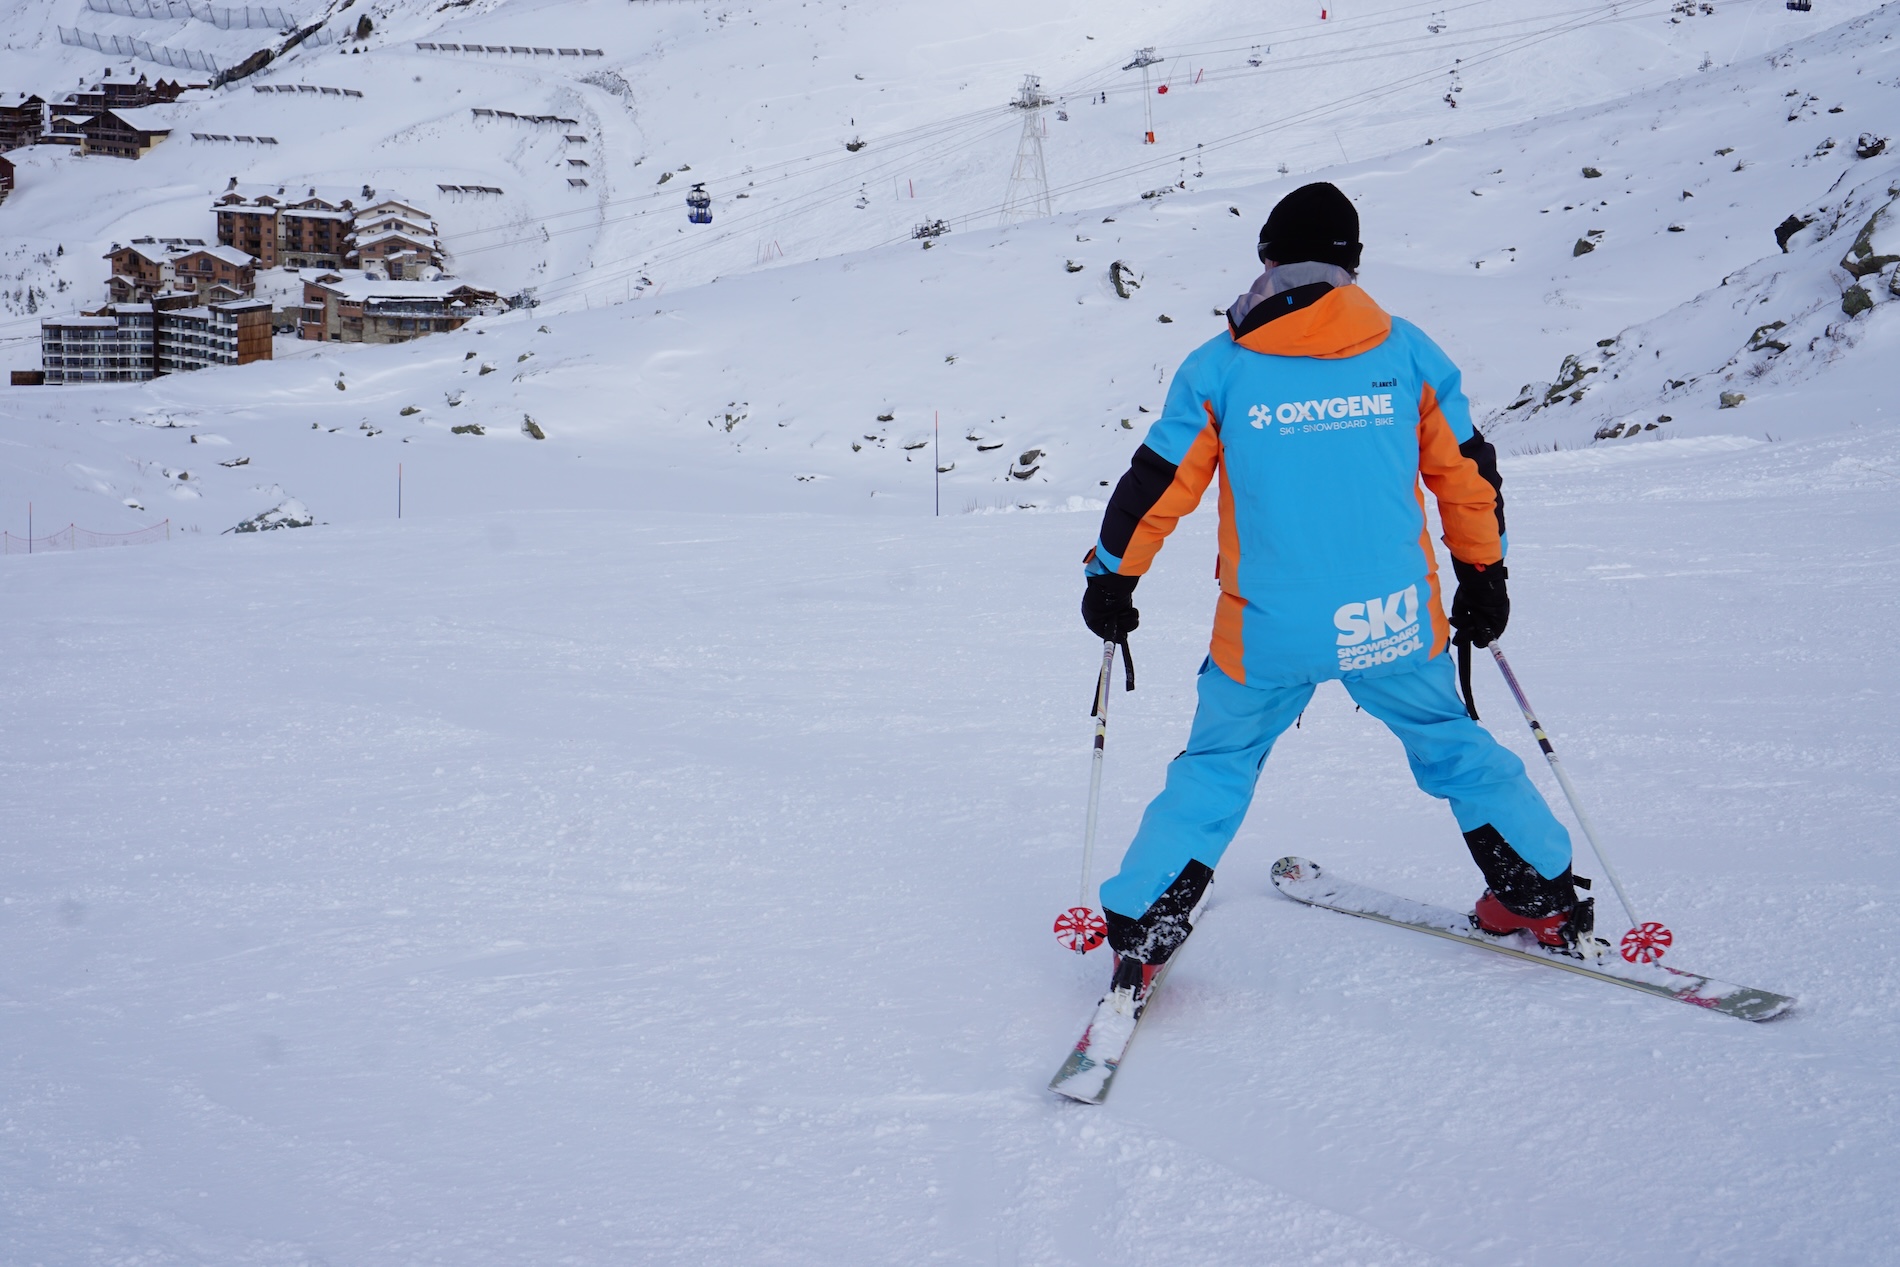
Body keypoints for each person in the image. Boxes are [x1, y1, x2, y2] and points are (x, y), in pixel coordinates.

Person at [1079, 182, 1590, 1004]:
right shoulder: (1408, 352)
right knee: (1450, 741)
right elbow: (1465, 476)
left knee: (1217, 764)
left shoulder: (1220, 368)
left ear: (1270, 260)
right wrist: (1483, 574)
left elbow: (1158, 485)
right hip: (1391, 618)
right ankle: (1541, 897)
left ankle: (1145, 930)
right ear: (1352, 263)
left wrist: (1113, 577)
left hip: (1268, 630)